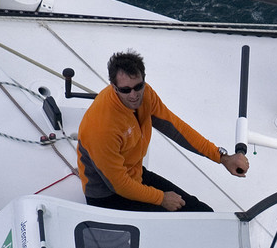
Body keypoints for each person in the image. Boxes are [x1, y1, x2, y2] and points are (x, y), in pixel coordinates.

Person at [75, 50, 249, 211]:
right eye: (125, 90)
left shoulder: (146, 95)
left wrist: (222, 157)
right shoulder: (101, 128)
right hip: (107, 196)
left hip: (136, 175)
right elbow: (118, 184)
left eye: (138, 86)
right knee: (180, 225)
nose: (134, 95)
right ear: (113, 87)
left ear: (144, 79)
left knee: (201, 212)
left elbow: (176, 128)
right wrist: (161, 198)